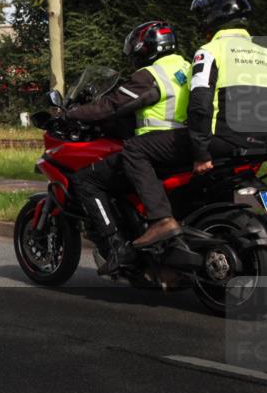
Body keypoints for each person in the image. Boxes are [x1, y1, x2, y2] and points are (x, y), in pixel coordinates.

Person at [123, 0, 267, 247]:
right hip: (261, 145)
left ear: (213, 18)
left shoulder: (209, 51)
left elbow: (200, 104)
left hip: (220, 141)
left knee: (134, 149)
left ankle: (160, 220)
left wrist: (201, 153)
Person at [66, 20, 190, 274]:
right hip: (186, 146)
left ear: (145, 49)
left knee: (86, 180)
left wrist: (73, 114)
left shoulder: (151, 75)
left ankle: (117, 248)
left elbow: (112, 105)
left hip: (157, 148)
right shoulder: (187, 68)